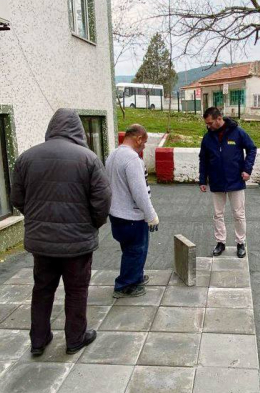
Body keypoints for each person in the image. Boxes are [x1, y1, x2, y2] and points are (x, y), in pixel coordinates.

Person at [11, 108, 112, 357]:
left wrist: (38, 219)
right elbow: (103, 200)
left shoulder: (27, 158)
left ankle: (38, 340)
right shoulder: (88, 159)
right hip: (77, 243)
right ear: (77, 129)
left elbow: (17, 198)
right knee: (76, 291)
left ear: (51, 128)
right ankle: (75, 339)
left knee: (42, 289)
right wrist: (91, 225)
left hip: (42, 243)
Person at [105, 124, 159, 298]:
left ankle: (135, 276)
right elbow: (139, 192)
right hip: (131, 215)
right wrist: (151, 216)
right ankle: (125, 285)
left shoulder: (113, 155)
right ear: (138, 139)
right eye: (144, 143)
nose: (144, 147)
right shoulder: (132, 159)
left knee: (128, 249)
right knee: (136, 250)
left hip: (116, 213)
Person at [198, 106, 257, 257]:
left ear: (219, 118)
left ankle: (240, 243)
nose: (208, 126)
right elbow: (203, 159)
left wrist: (247, 169)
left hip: (235, 180)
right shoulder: (207, 137)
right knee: (218, 214)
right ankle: (220, 242)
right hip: (217, 181)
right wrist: (202, 180)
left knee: (238, 214)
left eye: (210, 123)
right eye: (207, 123)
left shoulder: (237, 132)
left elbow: (252, 148)